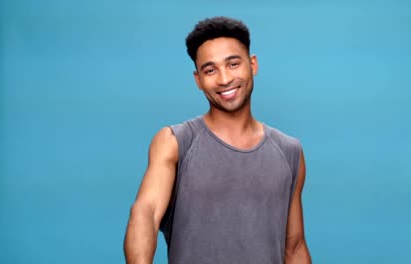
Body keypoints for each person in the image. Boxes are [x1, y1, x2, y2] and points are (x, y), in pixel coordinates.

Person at [124, 16, 311, 264]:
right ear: (198, 80)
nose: (224, 79)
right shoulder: (176, 142)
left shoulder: (289, 152)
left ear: (252, 65)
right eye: (210, 70)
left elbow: (294, 247)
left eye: (233, 64)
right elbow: (145, 212)